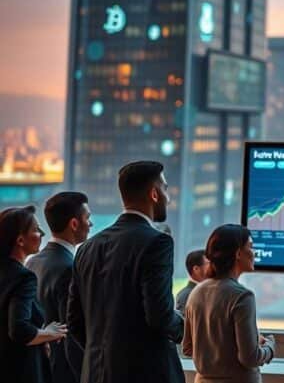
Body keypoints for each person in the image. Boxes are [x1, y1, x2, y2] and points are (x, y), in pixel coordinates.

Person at [67, 161, 184, 383]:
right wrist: (186, 329)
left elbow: (74, 322)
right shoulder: (157, 242)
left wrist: (106, 352)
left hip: (94, 373)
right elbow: (159, 315)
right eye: (165, 189)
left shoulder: (87, 248)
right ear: (154, 194)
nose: (168, 198)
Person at [183, 224, 275, 383]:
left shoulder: (196, 293)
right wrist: (270, 348)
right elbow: (250, 358)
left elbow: (188, 347)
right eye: (251, 247)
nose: (254, 253)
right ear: (238, 253)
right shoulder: (242, 296)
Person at [26, 192, 92, 383]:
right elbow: (71, 330)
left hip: (40, 366)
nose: (91, 224)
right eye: (87, 218)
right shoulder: (70, 268)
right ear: (74, 224)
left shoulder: (33, 262)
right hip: (64, 372)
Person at [0, 205, 68, 383]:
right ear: (20, 240)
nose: (42, 234)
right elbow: (20, 330)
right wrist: (49, 333)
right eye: (36, 229)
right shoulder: (24, 278)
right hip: (20, 370)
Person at [175, 249, 209, 314]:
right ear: (196, 269)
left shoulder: (212, 290)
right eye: (208, 263)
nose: (212, 267)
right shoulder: (186, 295)